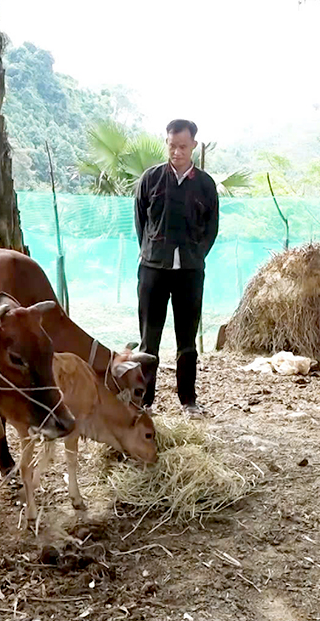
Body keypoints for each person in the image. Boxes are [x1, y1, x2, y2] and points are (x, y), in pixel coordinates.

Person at [134, 119, 218, 417]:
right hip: (153, 269)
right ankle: (144, 401)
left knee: (187, 339)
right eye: (172, 146)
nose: (176, 152)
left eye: (182, 146)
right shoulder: (151, 179)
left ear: (194, 144)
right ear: (166, 143)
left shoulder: (205, 185)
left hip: (191, 273)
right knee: (149, 339)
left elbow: (211, 228)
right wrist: (153, 253)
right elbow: (141, 224)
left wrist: (195, 256)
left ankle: (188, 401)